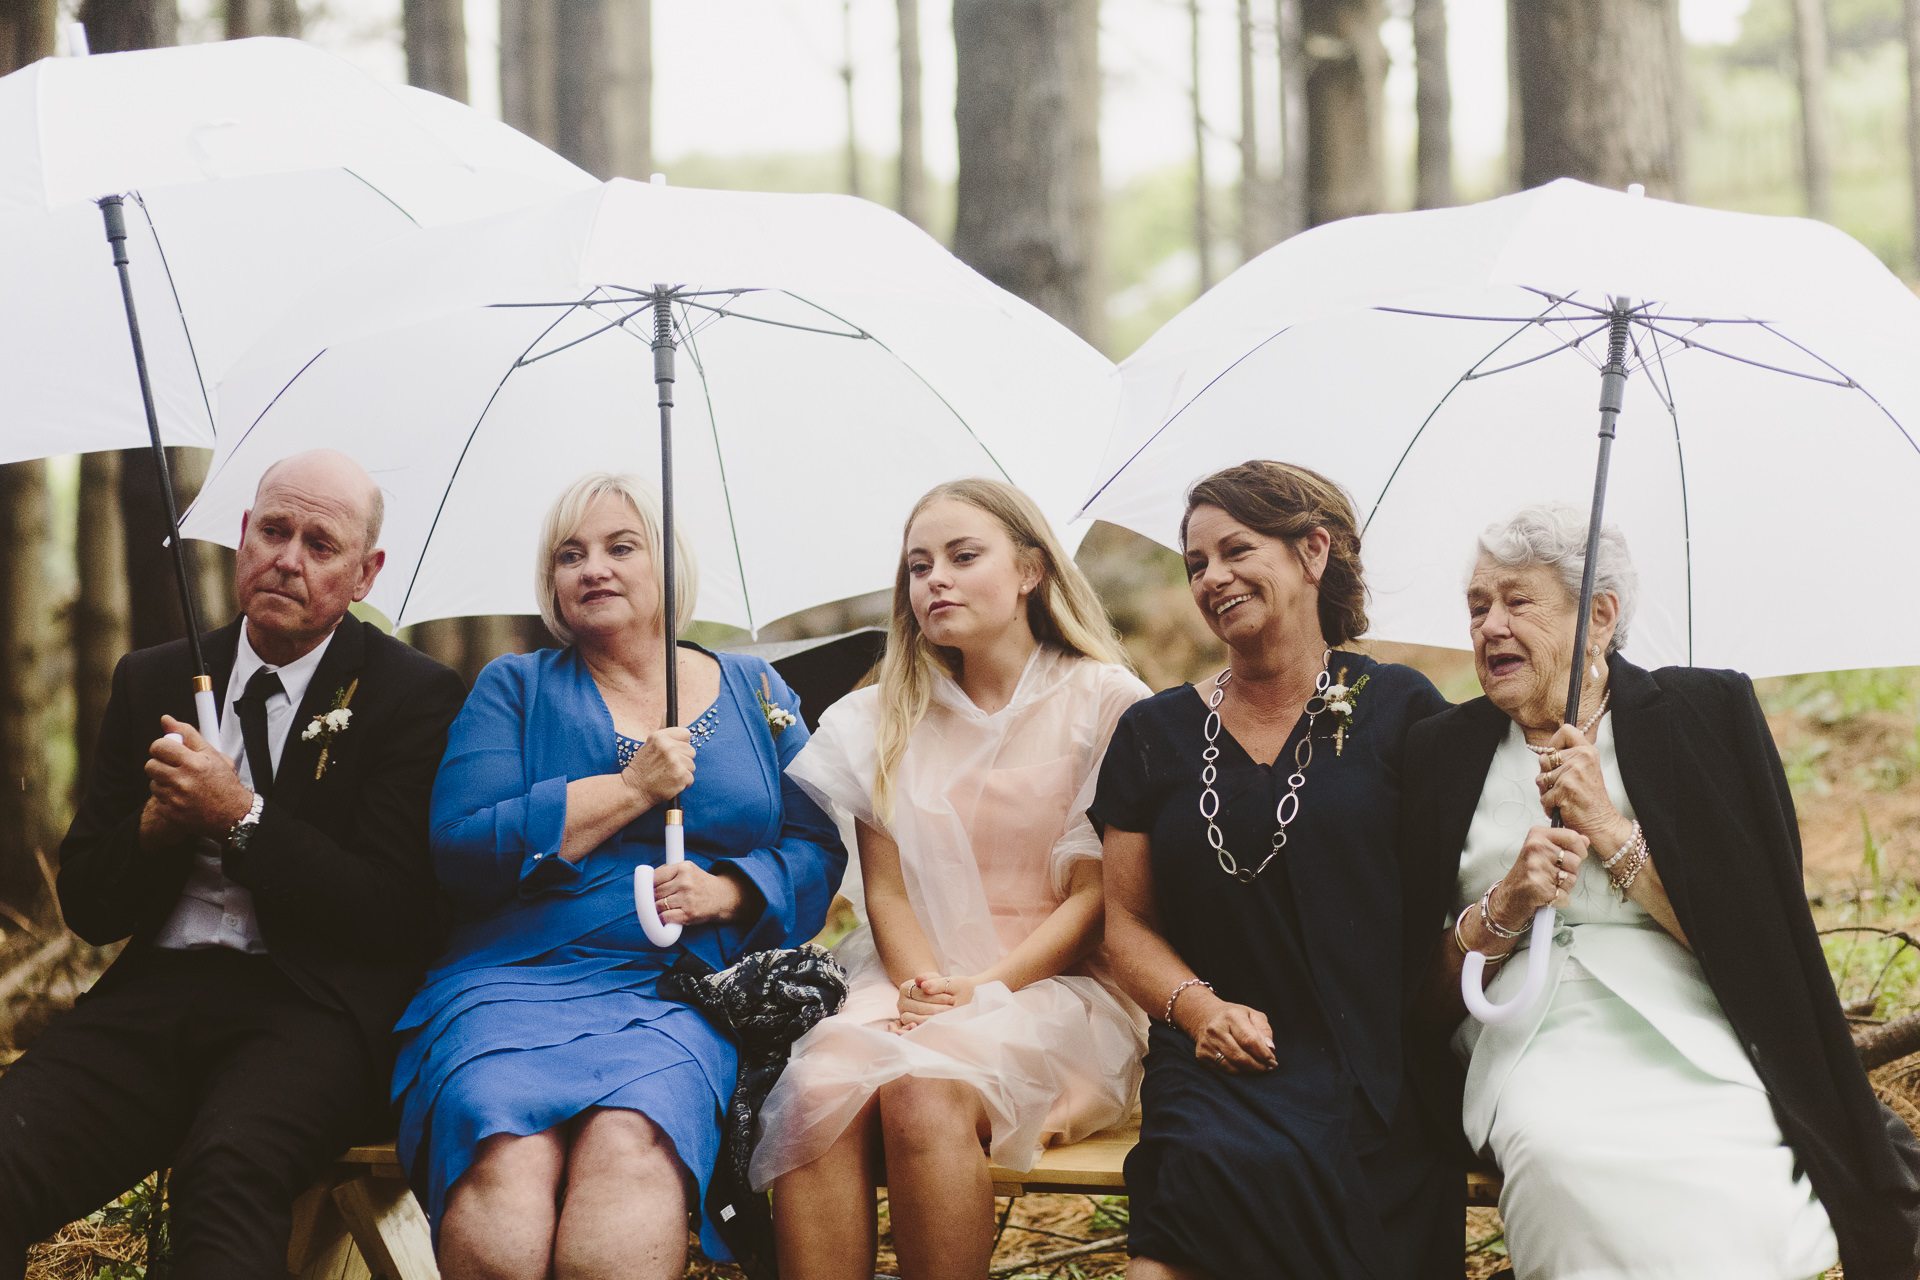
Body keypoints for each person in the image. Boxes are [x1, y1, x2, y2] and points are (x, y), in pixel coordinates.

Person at [1406, 501, 1920, 1280]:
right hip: (1533, 1039)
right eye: (1477, 606)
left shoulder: (1704, 714)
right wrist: (1502, 909)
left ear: (1601, 615)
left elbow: (1762, 942)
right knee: (1561, 1159)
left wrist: (1610, 830)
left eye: (1517, 601)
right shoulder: (1439, 752)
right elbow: (1412, 991)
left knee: (1735, 1171)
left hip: (1694, 1025)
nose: (1488, 627)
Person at [0, 450, 464, 1280]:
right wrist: (154, 828)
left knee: (226, 1176)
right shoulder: (153, 679)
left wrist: (241, 816)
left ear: (366, 573)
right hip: (157, 999)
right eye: (273, 530)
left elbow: (392, 911)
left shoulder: (412, 696)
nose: (288, 557)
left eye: (320, 544)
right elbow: (90, 907)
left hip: (312, 1012)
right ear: (242, 537)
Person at [392, 472, 844, 1280]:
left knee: (632, 1147)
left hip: (678, 989)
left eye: (620, 547)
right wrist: (630, 790)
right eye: (571, 554)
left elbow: (819, 844)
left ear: (669, 567)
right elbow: (460, 849)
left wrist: (733, 890)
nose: (592, 567)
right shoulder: (515, 689)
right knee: (507, 1154)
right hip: (515, 982)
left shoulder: (757, 692)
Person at [752, 478, 1149, 1280]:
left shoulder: (1105, 703)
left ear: (1031, 570)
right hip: (910, 978)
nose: (934, 580)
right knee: (815, 1088)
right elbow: (887, 892)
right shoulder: (880, 716)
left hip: (1059, 986)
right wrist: (926, 987)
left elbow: (1094, 897)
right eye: (918, 565)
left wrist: (987, 989)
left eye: (964, 557)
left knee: (926, 1089)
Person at [1091, 460, 1454, 1280]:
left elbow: (1457, 886)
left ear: (1313, 552)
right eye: (1195, 565)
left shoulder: (1402, 710)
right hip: (1215, 1056)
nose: (1213, 578)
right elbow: (1129, 924)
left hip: (1369, 1057)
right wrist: (1200, 1011)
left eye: (1235, 550)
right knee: (1190, 1195)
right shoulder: (1153, 733)